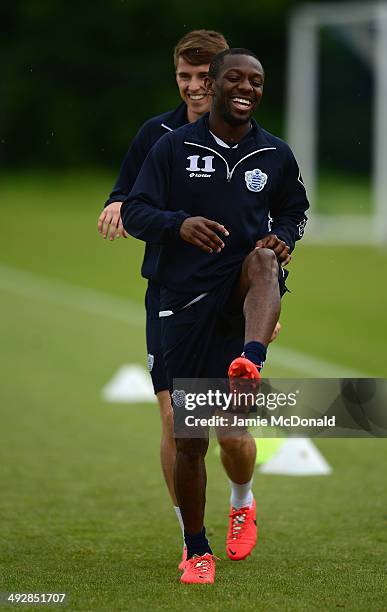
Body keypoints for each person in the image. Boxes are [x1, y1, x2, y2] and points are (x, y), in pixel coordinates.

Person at [121, 48, 309, 584]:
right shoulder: (172, 146)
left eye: (257, 80)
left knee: (264, 260)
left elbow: (294, 209)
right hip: (181, 299)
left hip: (241, 297)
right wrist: (178, 225)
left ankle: (251, 361)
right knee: (188, 437)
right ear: (217, 86)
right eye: (236, 78)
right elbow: (135, 209)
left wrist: (285, 235)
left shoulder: (276, 153)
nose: (247, 87)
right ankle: (196, 547)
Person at [97, 31, 229, 568]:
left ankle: (241, 501)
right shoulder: (157, 133)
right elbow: (126, 191)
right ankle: (190, 536)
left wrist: (266, 309)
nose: (194, 88)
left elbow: (270, 228)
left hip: (227, 294)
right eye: (185, 77)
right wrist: (116, 205)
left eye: (204, 78)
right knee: (176, 416)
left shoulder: (250, 142)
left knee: (230, 427)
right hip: (169, 294)